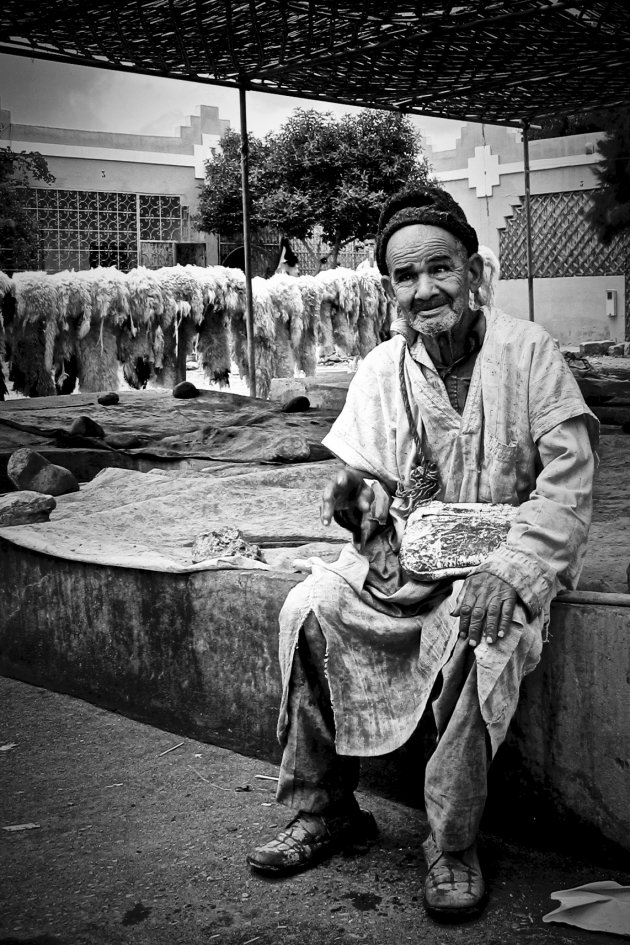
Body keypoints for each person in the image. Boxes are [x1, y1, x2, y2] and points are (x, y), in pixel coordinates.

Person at [247, 186, 597, 920]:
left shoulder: (529, 351)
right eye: (405, 276)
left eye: (440, 268)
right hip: (407, 562)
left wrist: (515, 565)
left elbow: (568, 486)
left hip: (500, 561)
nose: (424, 288)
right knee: (307, 604)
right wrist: (361, 507)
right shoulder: (381, 370)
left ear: (472, 270)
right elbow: (372, 490)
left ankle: (450, 839)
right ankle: (324, 806)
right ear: (390, 288)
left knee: (485, 626)